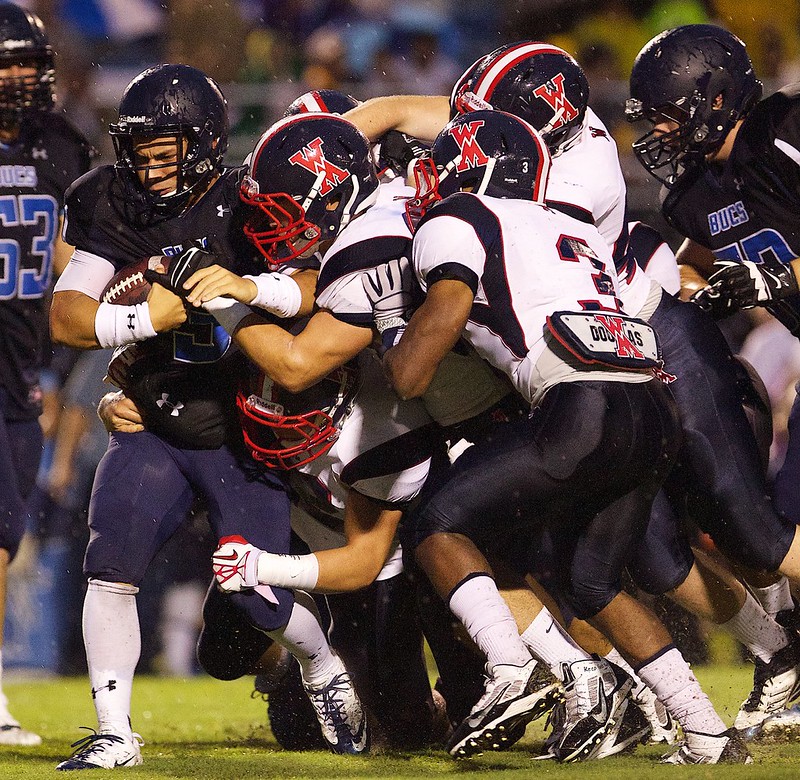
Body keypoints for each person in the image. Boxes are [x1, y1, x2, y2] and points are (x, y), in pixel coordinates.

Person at [343, 40, 800, 740]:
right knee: (644, 556)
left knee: (749, 526)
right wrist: (331, 150)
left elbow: (473, 263)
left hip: (632, 346)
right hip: (598, 359)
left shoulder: (577, 177)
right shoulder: (671, 183)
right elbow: (403, 110)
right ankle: (764, 665)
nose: (457, 145)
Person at [49, 64, 365, 770]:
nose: (150, 166)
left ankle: (323, 670)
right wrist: (137, 318)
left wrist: (249, 287)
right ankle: (112, 729)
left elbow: (320, 284)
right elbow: (68, 314)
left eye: (168, 150)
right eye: (140, 150)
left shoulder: (248, 200)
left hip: (241, 432)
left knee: (253, 593)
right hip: (156, 421)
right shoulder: (109, 202)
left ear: (207, 143)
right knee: (112, 563)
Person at [626, 24, 800, 736]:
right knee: (766, 528)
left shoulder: (784, 128)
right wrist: (697, 285)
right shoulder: (693, 195)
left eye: (665, 110)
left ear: (713, 95)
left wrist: (779, 276)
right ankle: (786, 670)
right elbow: (695, 254)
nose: (660, 128)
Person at [0, 2, 92, 746]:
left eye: (30, 62)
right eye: (8, 62)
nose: (22, 76)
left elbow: (66, 247)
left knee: (3, 536)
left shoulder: (59, 143)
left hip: (23, 366)